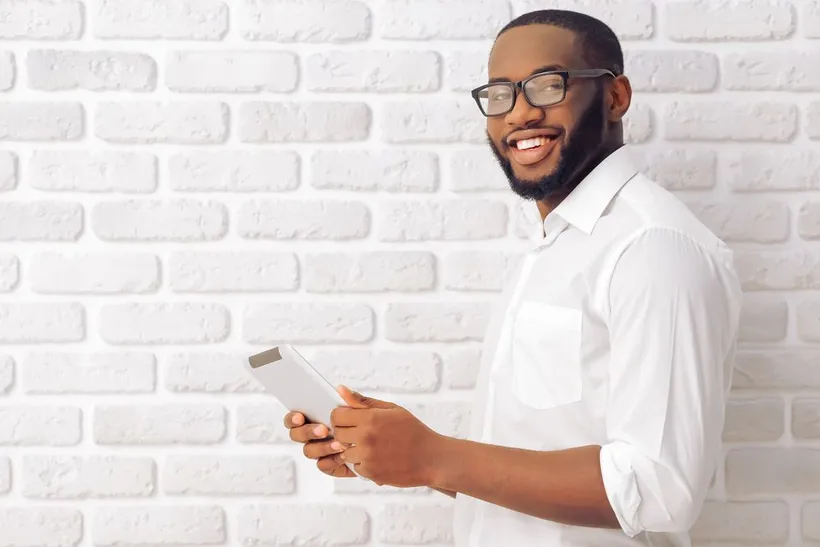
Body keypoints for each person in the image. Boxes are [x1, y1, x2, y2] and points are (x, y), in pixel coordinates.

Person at [284, 9, 742, 547]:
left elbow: (661, 490)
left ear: (615, 97)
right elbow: (532, 465)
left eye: (547, 86)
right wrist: (407, 455)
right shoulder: (553, 247)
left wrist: (436, 456)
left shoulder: (653, 246)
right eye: (500, 94)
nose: (519, 113)